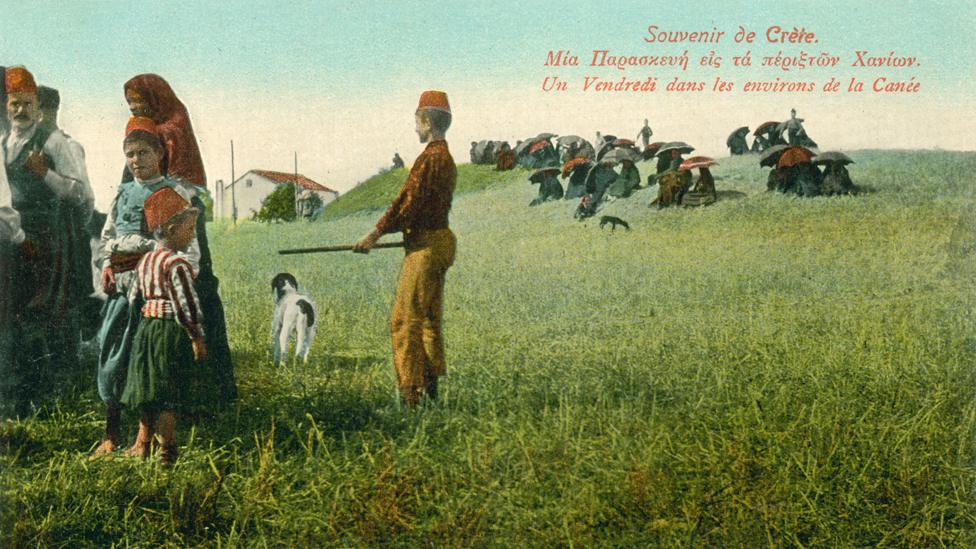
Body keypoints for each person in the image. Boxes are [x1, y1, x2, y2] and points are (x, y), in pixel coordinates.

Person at [123, 74, 236, 406]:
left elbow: (184, 182)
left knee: (193, 287)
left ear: (156, 99)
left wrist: (163, 204)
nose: (136, 108)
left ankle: (212, 391)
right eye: (131, 105)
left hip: (178, 211)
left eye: (141, 102)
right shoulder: (143, 129)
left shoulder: (173, 127)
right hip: (151, 207)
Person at [92, 117, 200, 456]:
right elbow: (107, 238)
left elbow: (188, 251)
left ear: (159, 153)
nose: (136, 161)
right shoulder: (122, 193)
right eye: (130, 155)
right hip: (122, 294)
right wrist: (108, 265)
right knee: (112, 358)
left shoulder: (175, 193)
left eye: (143, 153)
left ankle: (145, 438)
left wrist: (151, 264)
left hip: (154, 299)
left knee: (146, 365)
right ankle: (110, 435)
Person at [354, 90, 457, 408]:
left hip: (425, 248)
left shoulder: (429, 158)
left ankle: (411, 399)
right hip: (441, 242)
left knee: (404, 321)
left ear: (426, 121)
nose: (415, 129)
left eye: (417, 122)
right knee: (428, 321)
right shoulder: (447, 157)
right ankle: (432, 395)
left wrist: (375, 233)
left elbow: (407, 203)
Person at [1, 66, 94, 417]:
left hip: (50, 237)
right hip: (15, 237)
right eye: (14, 105)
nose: (20, 111)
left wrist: (46, 173)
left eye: (27, 104)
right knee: (19, 309)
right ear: (7, 107)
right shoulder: (3, 143)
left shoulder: (53, 142)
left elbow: (79, 192)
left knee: (52, 309)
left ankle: (60, 386)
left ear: (38, 107)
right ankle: (25, 388)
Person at [120, 186, 212, 465]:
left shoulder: (145, 260)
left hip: (147, 330)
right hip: (170, 332)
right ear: (171, 229)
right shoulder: (177, 264)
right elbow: (187, 305)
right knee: (169, 392)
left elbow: (134, 295)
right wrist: (196, 336)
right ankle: (167, 450)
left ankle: (143, 444)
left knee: (147, 388)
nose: (193, 234)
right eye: (190, 228)